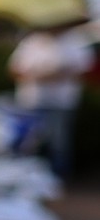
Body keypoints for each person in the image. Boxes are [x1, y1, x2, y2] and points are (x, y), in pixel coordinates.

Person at [8, 21, 94, 179]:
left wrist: (54, 75)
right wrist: (37, 75)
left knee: (59, 140)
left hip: (62, 100)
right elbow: (14, 68)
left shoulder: (75, 41)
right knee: (28, 139)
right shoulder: (32, 41)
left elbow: (84, 69)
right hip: (31, 99)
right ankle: (23, 176)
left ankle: (58, 177)